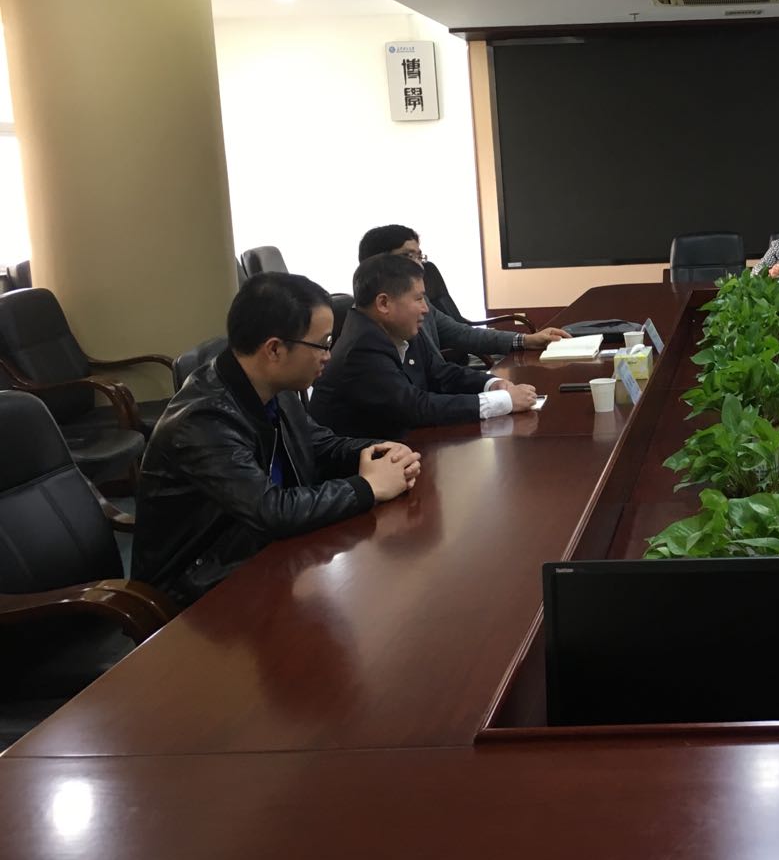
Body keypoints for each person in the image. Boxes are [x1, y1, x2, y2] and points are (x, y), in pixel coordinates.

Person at [133, 273, 421, 604]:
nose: (328, 355)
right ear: (274, 349)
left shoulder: (273, 385)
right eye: (323, 343)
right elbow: (270, 511)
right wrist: (368, 487)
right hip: (196, 587)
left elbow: (319, 444)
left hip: (257, 551)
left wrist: (381, 452)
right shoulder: (203, 420)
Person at [311, 254, 538, 439]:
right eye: (418, 299)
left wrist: (491, 383)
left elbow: (441, 373)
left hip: (406, 446)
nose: (426, 309)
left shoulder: (399, 327)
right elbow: (414, 408)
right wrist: (503, 401)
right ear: (384, 303)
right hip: (361, 465)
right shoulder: (360, 348)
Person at [357, 225, 570, 357]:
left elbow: (461, 334)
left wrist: (526, 340)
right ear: (376, 263)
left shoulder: (422, 304)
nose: (419, 265)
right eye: (407, 256)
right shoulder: (367, 335)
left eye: (419, 256)